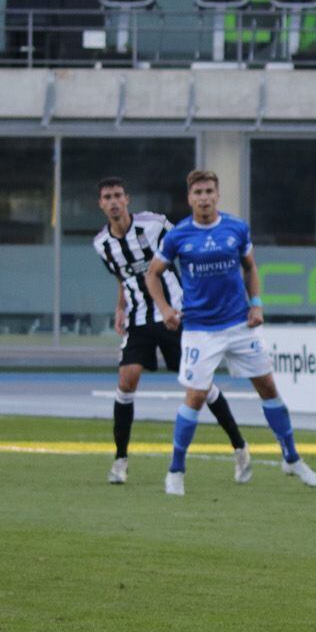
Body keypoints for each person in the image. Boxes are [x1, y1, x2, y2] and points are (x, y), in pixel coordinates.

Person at [142, 169, 316, 496]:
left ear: (217, 194)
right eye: (198, 192)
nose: (204, 197)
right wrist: (165, 310)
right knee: (196, 397)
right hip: (200, 329)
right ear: (190, 198)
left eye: (209, 191)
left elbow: (250, 266)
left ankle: (292, 458)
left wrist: (256, 304)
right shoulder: (178, 235)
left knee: (268, 386)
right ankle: (176, 469)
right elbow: (152, 275)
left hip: (239, 324)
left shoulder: (236, 228)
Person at [91, 177, 248, 486]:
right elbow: (122, 277)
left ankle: (240, 447)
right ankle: (120, 460)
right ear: (100, 204)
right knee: (127, 380)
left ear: (127, 199)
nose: (113, 202)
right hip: (138, 320)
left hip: (174, 314)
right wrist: (120, 307)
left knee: (200, 388)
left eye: (118, 196)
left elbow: (189, 247)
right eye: (107, 197)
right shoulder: (102, 244)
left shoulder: (155, 225)